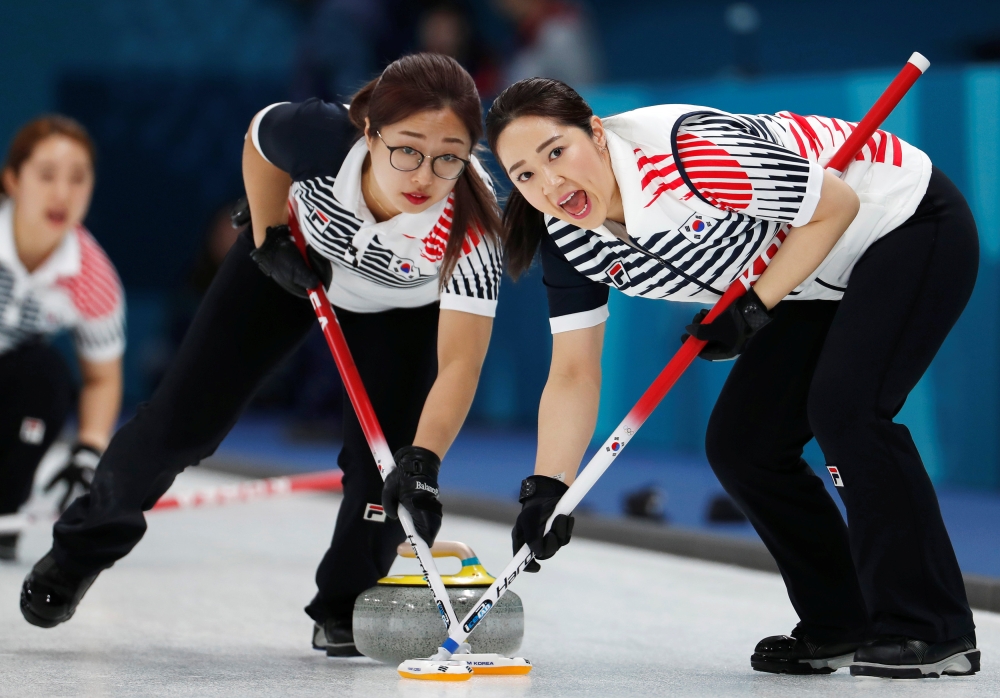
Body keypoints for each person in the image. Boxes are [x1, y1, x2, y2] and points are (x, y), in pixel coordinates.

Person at [486, 78, 979, 680]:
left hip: (900, 222)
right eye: (525, 175)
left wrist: (753, 309)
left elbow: (838, 205)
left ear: (595, 130)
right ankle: (840, 619)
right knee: (745, 445)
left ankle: (932, 628)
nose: (551, 185)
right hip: (808, 273)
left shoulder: (689, 154)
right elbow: (572, 370)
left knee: (847, 411)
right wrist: (546, 487)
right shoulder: (566, 237)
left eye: (556, 152)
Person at [21, 54, 503, 658]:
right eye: (406, 148)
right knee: (180, 425)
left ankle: (345, 606)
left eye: (448, 156)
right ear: (370, 133)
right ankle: (75, 555)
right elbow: (259, 138)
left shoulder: (474, 226)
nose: (424, 174)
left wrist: (425, 465)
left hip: (399, 312)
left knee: (387, 470)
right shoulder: (323, 136)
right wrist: (268, 234)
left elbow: (459, 364)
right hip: (293, 269)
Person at [0, 116, 125, 561]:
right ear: (13, 179)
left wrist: (88, 452)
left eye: (78, 178)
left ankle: (4, 512)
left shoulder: (93, 278)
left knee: (45, 374)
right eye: (47, 175)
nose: (62, 194)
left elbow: (101, 379)